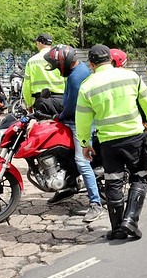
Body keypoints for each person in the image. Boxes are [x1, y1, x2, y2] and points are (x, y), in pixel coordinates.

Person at [75, 45, 147, 240]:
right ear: (111, 59)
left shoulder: (87, 85)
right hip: (134, 138)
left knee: (113, 182)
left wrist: (84, 143)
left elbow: (82, 120)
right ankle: (130, 221)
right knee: (139, 176)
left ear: (91, 63)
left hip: (108, 143)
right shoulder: (131, 76)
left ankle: (117, 229)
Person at [42, 45, 104, 222]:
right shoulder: (76, 71)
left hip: (80, 122)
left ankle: (95, 204)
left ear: (64, 62)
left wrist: (58, 116)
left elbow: (71, 107)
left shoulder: (77, 76)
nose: (56, 68)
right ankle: (68, 187)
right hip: (73, 119)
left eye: (56, 65)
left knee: (81, 161)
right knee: (60, 153)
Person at [23, 34, 65, 117]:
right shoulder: (59, 58)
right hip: (61, 100)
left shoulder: (32, 61)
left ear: (40, 43)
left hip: (42, 102)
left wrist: (29, 104)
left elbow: (26, 86)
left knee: (43, 128)